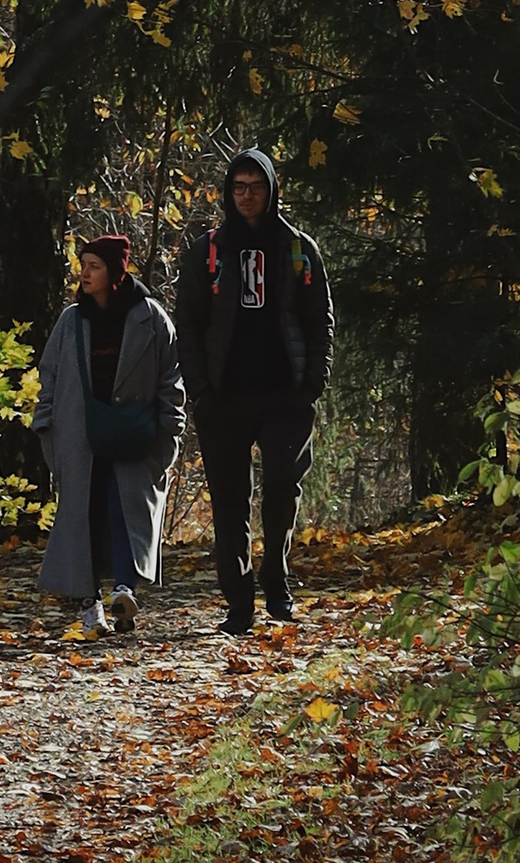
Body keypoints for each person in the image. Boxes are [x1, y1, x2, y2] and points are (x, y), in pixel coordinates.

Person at [174, 146, 334, 630]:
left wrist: (312, 383)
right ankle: (238, 603)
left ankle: (277, 584)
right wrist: (200, 389)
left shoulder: (297, 248)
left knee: (282, 490)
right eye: (238, 187)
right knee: (229, 502)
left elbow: (319, 319)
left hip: (285, 395)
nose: (246, 196)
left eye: (256, 187)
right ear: (228, 192)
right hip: (223, 397)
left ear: (271, 190)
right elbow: (188, 324)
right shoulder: (208, 251)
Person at [32, 233, 185, 636]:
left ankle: (124, 591)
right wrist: (46, 427)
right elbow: (49, 378)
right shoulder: (71, 321)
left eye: (94, 266)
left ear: (115, 272)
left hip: (135, 435)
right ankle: (90, 607)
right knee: (84, 515)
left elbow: (171, 379)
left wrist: (170, 432)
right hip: (78, 437)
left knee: (126, 510)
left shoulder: (150, 318)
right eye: (83, 265)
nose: (84, 274)